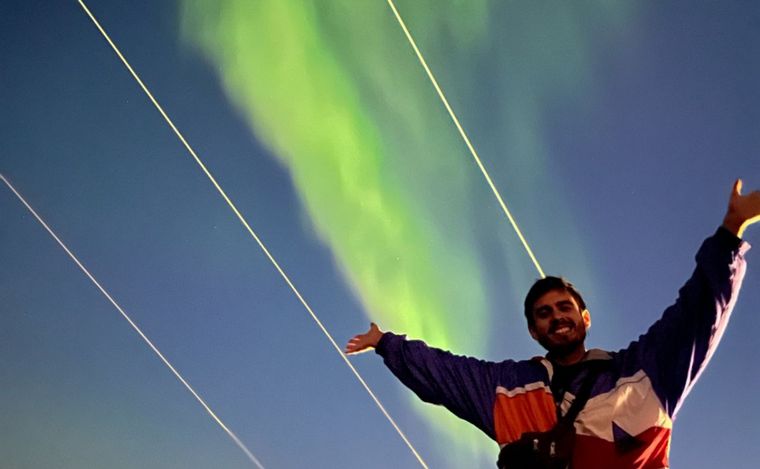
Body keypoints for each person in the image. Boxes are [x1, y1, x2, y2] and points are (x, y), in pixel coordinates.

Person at [345, 179, 760, 468]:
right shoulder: (507, 389)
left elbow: (698, 314)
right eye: (543, 313)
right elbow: (446, 373)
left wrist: (730, 233)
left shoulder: (643, 372)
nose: (557, 316)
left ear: (585, 318)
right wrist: (386, 343)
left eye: (564, 308)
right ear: (533, 331)